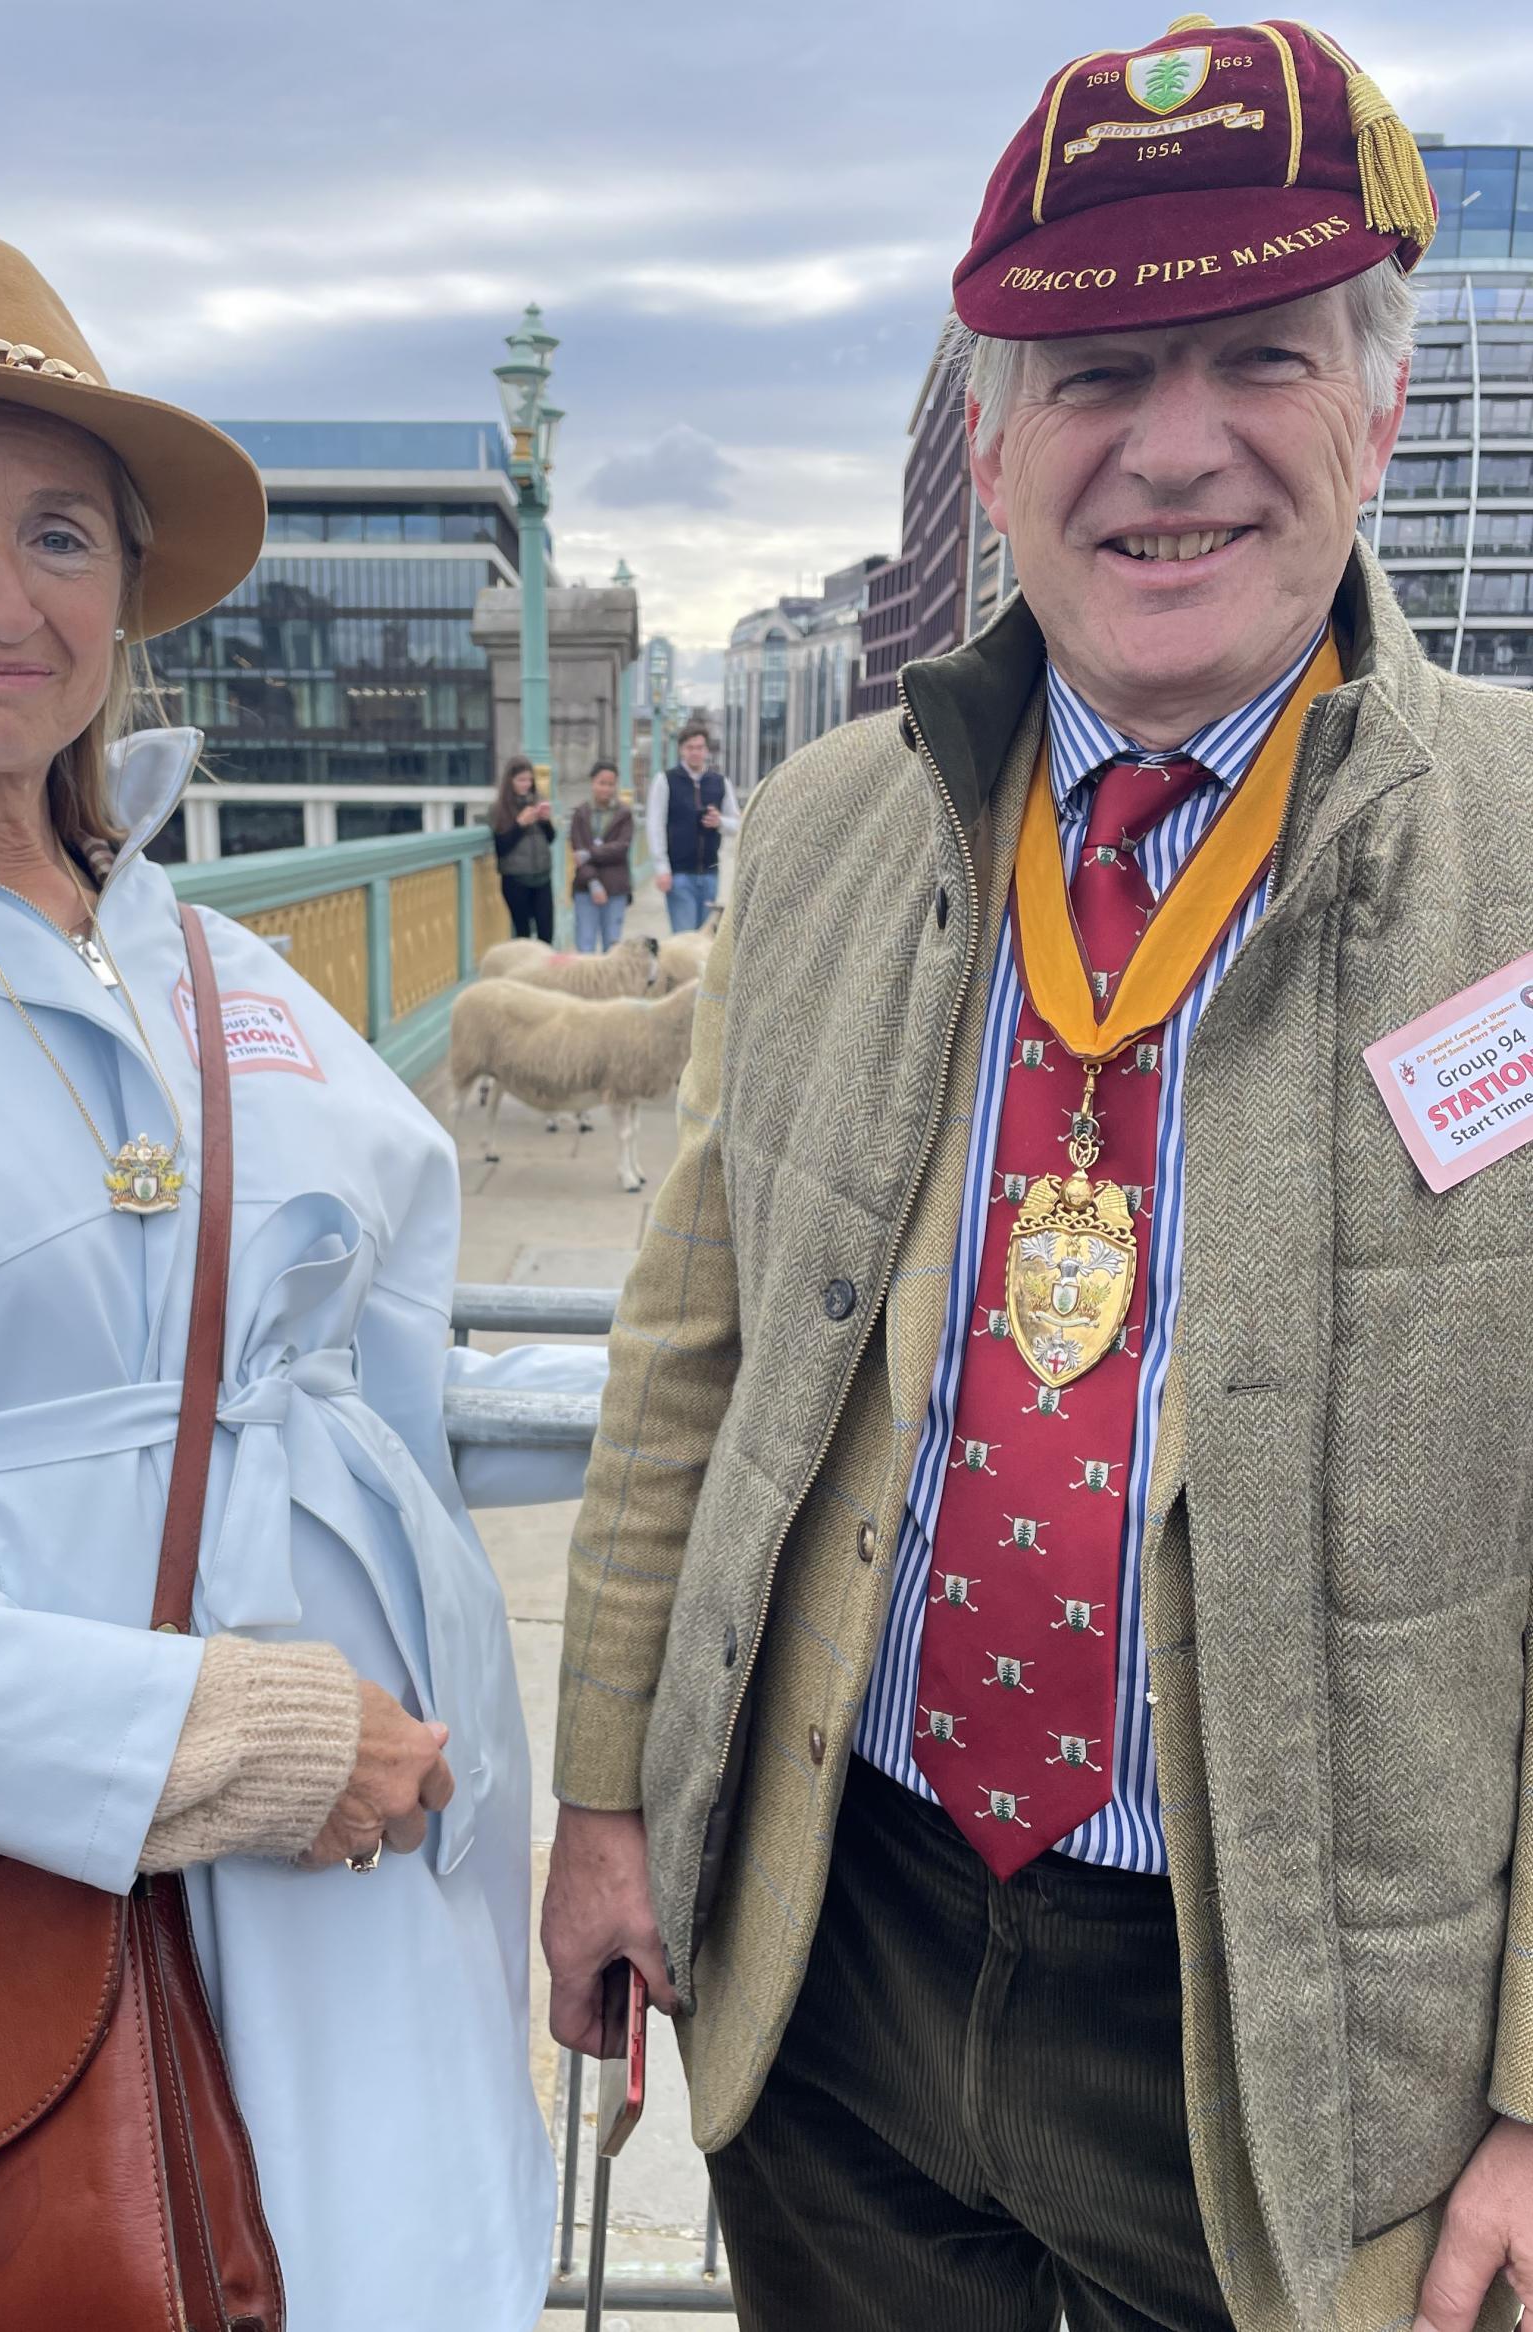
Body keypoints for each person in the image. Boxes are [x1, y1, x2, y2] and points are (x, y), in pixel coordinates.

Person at [542, 20, 1533, 2332]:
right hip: (843, 1947)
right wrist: (607, 1795)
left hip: (1304, 2035)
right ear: (991, 446)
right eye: (1092, 371)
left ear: (1375, 405)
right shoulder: (820, 840)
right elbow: (689, 1347)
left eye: (1255, 355)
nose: (1171, 445)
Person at [0, 227, 605, 2332]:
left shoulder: (209, 954)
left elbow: (363, 1371)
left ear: (125, 592)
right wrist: (186, 1738)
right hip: (7, 1949)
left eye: (59, 530)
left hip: (384, 1900)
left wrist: (652, 1417)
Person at [647, 720, 737, 932]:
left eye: (699, 747)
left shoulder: (720, 782)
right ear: (681, 750)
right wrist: (662, 869)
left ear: (706, 750)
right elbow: (655, 825)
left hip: (710, 874)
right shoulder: (665, 780)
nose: (695, 753)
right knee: (684, 940)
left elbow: (737, 825)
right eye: (690, 748)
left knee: (705, 942)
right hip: (679, 874)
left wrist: (720, 822)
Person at [570, 758, 635, 951]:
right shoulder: (581, 813)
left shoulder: (624, 814)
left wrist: (589, 854)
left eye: (611, 784)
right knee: (585, 944)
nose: (606, 789)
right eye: (601, 783)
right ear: (592, 782)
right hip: (585, 887)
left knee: (612, 946)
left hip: (616, 887)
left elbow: (621, 848)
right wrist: (593, 883)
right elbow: (577, 850)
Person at [492, 752, 556, 941]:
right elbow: (501, 848)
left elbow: (551, 838)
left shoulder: (537, 800)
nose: (526, 784)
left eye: (529, 780)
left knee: (546, 934)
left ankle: (545, 970)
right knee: (523, 935)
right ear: (510, 781)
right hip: (516, 879)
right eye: (521, 780)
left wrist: (545, 821)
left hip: (542, 877)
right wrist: (519, 825)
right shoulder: (499, 809)